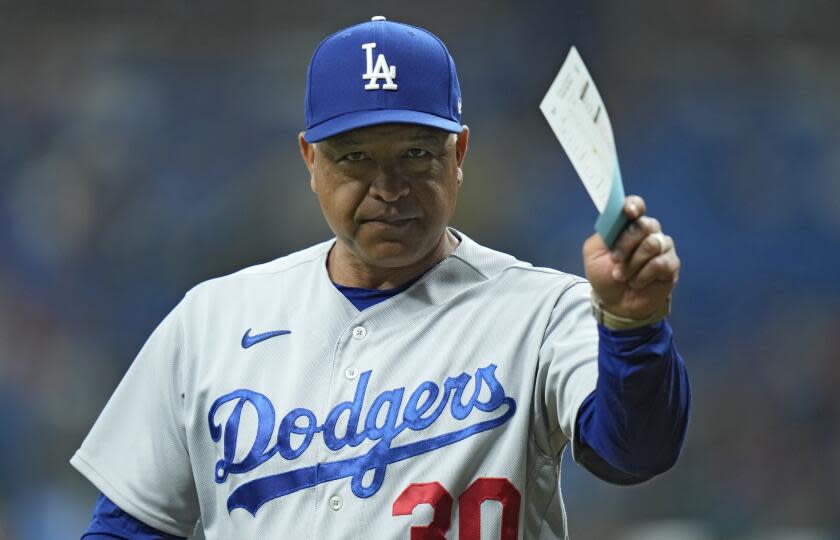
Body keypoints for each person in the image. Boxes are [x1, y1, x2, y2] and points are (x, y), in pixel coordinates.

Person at [73, 16, 690, 540]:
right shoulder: (210, 321)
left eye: (416, 154)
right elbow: (129, 525)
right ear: (310, 161)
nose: (388, 188)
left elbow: (635, 452)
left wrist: (633, 328)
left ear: (460, 155)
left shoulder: (544, 312)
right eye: (355, 158)